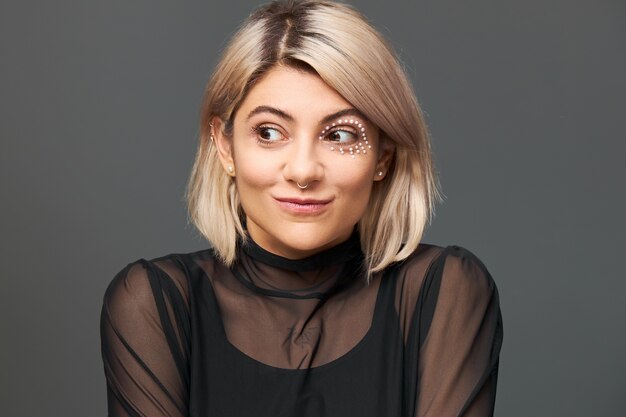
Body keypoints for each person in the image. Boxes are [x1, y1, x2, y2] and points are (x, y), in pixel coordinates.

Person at [99, 1, 504, 416]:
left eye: (342, 135)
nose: (304, 170)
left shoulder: (444, 292)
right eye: (270, 132)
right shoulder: (155, 303)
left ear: (383, 156)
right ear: (225, 146)